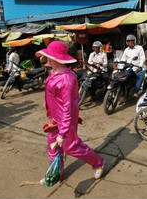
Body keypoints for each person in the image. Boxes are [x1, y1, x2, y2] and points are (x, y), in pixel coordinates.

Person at [35, 41, 104, 183]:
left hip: (66, 119)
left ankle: (98, 162)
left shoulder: (67, 79)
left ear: (57, 59)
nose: (47, 59)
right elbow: (50, 92)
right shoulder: (54, 72)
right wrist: (46, 102)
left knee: (71, 147)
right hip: (54, 117)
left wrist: (63, 132)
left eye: (49, 57)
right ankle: (56, 174)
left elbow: (67, 107)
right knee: (52, 147)